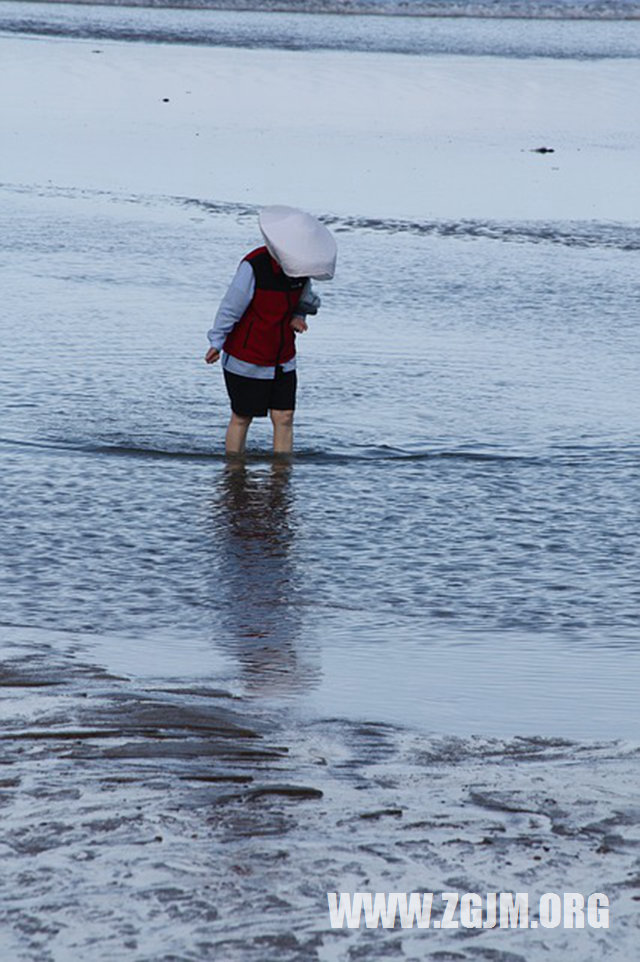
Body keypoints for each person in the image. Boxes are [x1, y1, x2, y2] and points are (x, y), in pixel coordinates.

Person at [205, 206, 336, 455]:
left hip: (283, 357)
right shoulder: (254, 266)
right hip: (246, 355)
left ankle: (281, 475)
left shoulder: (302, 271)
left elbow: (306, 300)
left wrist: (298, 316)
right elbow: (231, 306)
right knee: (242, 416)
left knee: (284, 416)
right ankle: (234, 471)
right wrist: (217, 340)